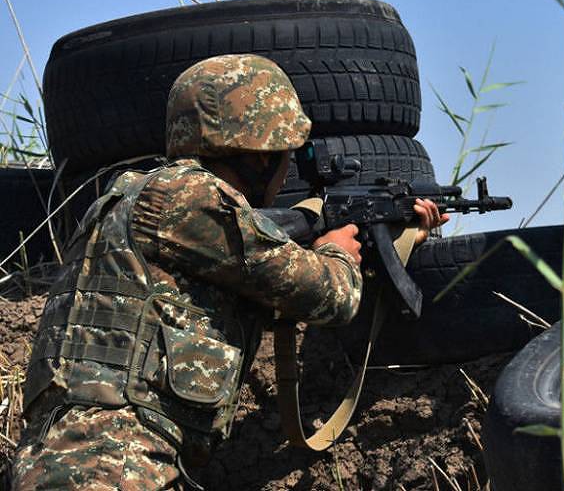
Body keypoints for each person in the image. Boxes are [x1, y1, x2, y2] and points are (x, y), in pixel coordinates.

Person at [10, 54, 447, 490]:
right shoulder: (191, 197)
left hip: (62, 464)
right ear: (260, 159)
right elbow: (330, 297)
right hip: (111, 470)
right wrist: (339, 252)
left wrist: (398, 232)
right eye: (285, 157)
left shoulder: (126, 199)